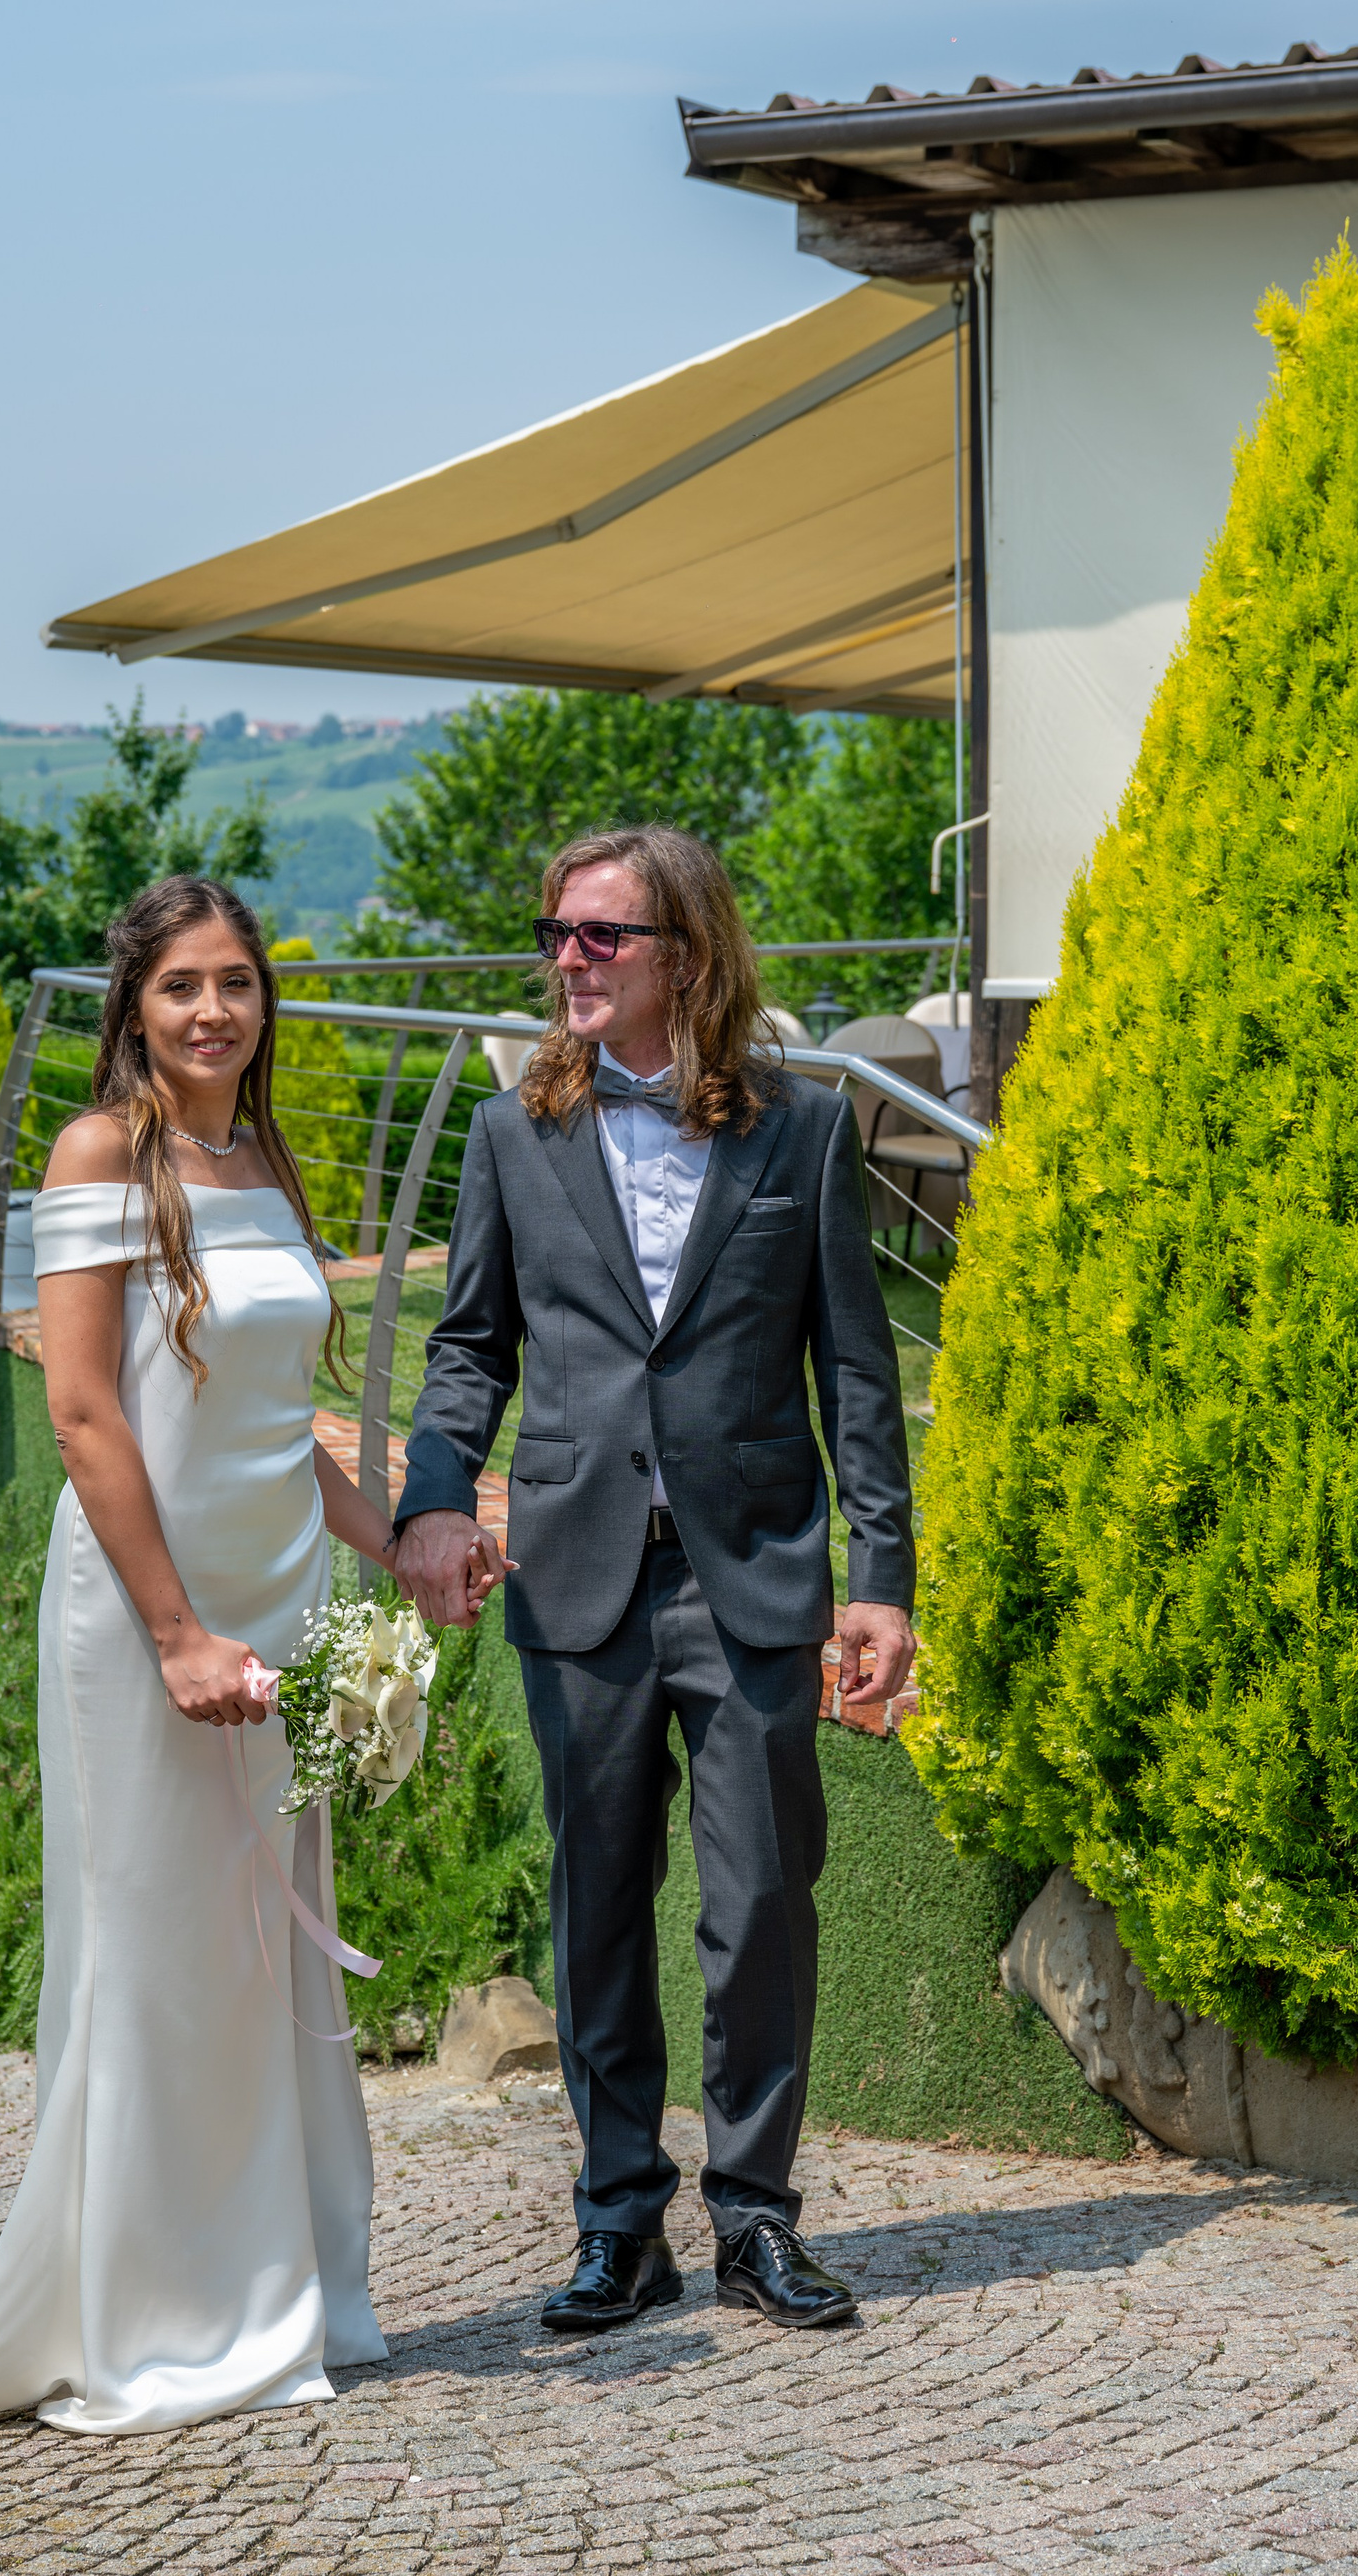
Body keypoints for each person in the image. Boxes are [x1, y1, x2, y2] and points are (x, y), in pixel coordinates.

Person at [0, 874, 502, 2438]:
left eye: (238, 981)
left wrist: (405, 1545)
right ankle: (147, 2319)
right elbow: (85, 1414)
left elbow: (281, 1427)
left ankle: (277, 2292)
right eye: (182, 985)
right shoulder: (101, 1153)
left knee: (262, 1953)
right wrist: (177, 1634)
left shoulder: (265, 1159)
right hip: (152, 1617)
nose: (216, 1009)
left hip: (277, 1604)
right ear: (133, 1007)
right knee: (155, 1956)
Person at [395, 825, 916, 2335]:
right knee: (599, 1907)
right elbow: (469, 1348)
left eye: (600, 934)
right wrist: (434, 1501)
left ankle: (755, 2215)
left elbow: (857, 1371)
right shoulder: (512, 1134)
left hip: (753, 1573)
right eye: (555, 931)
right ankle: (620, 2221)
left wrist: (879, 1575)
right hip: (577, 1575)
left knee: (761, 1906)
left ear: (684, 953)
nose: (568, 957)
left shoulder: (802, 1132)